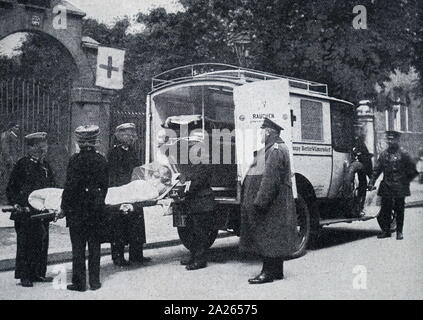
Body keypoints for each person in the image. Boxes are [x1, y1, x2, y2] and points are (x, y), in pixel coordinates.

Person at [240, 118, 297, 284]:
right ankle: (277, 271)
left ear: (268, 131)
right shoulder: (271, 149)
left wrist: (260, 201)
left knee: (268, 236)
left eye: (261, 131)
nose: (260, 134)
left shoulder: (275, 150)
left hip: (272, 203)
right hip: (275, 202)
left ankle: (268, 272)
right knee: (274, 235)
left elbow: (270, 179)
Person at [61, 125, 109, 291]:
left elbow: (69, 187)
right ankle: (95, 282)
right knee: (95, 247)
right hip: (95, 211)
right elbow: (105, 186)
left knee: (78, 249)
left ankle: (79, 283)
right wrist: (99, 202)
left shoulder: (74, 160)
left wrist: (63, 208)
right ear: (95, 141)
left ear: (79, 142)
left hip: (77, 212)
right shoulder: (101, 159)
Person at [6, 132, 55, 287]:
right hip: (25, 211)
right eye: (43, 147)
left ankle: (38, 273)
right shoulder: (22, 164)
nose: (45, 149)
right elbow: (11, 188)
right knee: (26, 244)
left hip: (41, 211)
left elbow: (52, 186)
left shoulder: (45, 165)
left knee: (41, 242)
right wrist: (16, 203)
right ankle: (25, 275)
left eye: (45, 146)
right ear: (33, 148)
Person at [108, 123, 151, 266]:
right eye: (129, 135)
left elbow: (137, 169)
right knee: (119, 225)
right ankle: (118, 256)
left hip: (134, 192)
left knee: (136, 224)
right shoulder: (114, 153)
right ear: (119, 136)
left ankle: (136, 254)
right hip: (121, 193)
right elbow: (113, 176)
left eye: (133, 135)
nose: (133, 138)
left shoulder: (132, 151)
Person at [175, 129, 216, 271]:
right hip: (196, 201)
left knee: (200, 233)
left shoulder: (203, 158)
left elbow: (198, 180)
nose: (191, 147)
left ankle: (200, 259)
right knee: (192, 231)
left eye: (193, 144)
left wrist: (185, 188)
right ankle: (194, 256)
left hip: (202, 201)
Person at [367, 131, 418, 240]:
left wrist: (406, 181)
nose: (390, 141)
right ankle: (386, 231)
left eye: (392, 139)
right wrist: (371, 182)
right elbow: (376, 170)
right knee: (385, 210)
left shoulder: (403, 154)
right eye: (388, 139)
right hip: (387, 185)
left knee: (399, 209)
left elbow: (413, 170)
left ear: (397, 140)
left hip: (400, 186)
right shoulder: (384, 154)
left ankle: (399, 231)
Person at [352, 122, 373, 214]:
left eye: (359, 129)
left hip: (360, 170)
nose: (357, 131)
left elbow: (367, 158)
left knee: (362, 186)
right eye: (355, 129)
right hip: (350, 170)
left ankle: (360, 207)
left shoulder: (361, 143)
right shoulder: (350, 141)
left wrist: (370, 175)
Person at [1, 122, 20, 202]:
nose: (18, 129)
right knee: (7, 179)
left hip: (12, 160)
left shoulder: (11, 135)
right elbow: (5, 150)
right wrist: (10, 160)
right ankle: (4, 198)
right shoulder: (7, 135)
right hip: (8, 162)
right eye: (16, 127)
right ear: (11, 127)